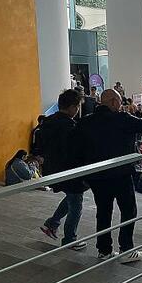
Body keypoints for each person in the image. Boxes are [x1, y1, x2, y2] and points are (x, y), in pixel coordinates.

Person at [74, 89, 142, 262]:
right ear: (115, 102)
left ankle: (104, 250)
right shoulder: (122, 119)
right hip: (120, 174)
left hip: (96, 176)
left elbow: (78, 148)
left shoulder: (86, 122)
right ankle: (126, 249)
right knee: (128, 210)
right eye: (120, 102)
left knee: (103, 212)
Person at [39, 89, 89, 249]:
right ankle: (69, 238)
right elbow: (75, 150)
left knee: (71, 197)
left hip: (53, 169)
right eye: (78, 107)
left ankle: (52, 223)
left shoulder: (48, 122)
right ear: (73, 107)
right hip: (70, 170)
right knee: (76, 202)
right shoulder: (70, 126)